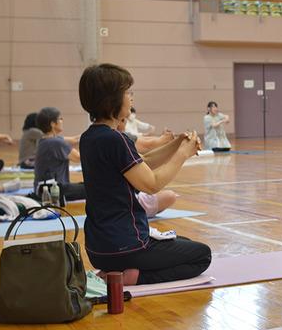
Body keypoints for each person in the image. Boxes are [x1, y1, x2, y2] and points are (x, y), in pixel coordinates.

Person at [79, 63, 211, 285]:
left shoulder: (90, 137)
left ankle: (117, 271)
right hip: (127, 245)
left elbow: (143, 163)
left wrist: (177, 144)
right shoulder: (115, 139)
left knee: (182, 242)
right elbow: (151, 183)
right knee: (202, 255)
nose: (131, 98)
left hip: (99, 249)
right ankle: (132, 277)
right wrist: (182, 155)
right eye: (127, 92)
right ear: (112, 99)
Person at [117, 116, 178, 218]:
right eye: (123, 119)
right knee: (170, 196)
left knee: (169, 196)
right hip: (123, 207)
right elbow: (152, 184)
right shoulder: (119, 140)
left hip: (119, 203)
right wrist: (182, 152)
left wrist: (167, 140)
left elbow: (146, 151)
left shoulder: (102, 136)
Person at [33, 107, 85, 202]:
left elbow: (75, 139)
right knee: (93, 188)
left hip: (42, 189)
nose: (62, 120)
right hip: (54, 190)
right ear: (53, 124)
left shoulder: (44, 140)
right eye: (60, 118)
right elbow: (78, 158)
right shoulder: (56, 143)